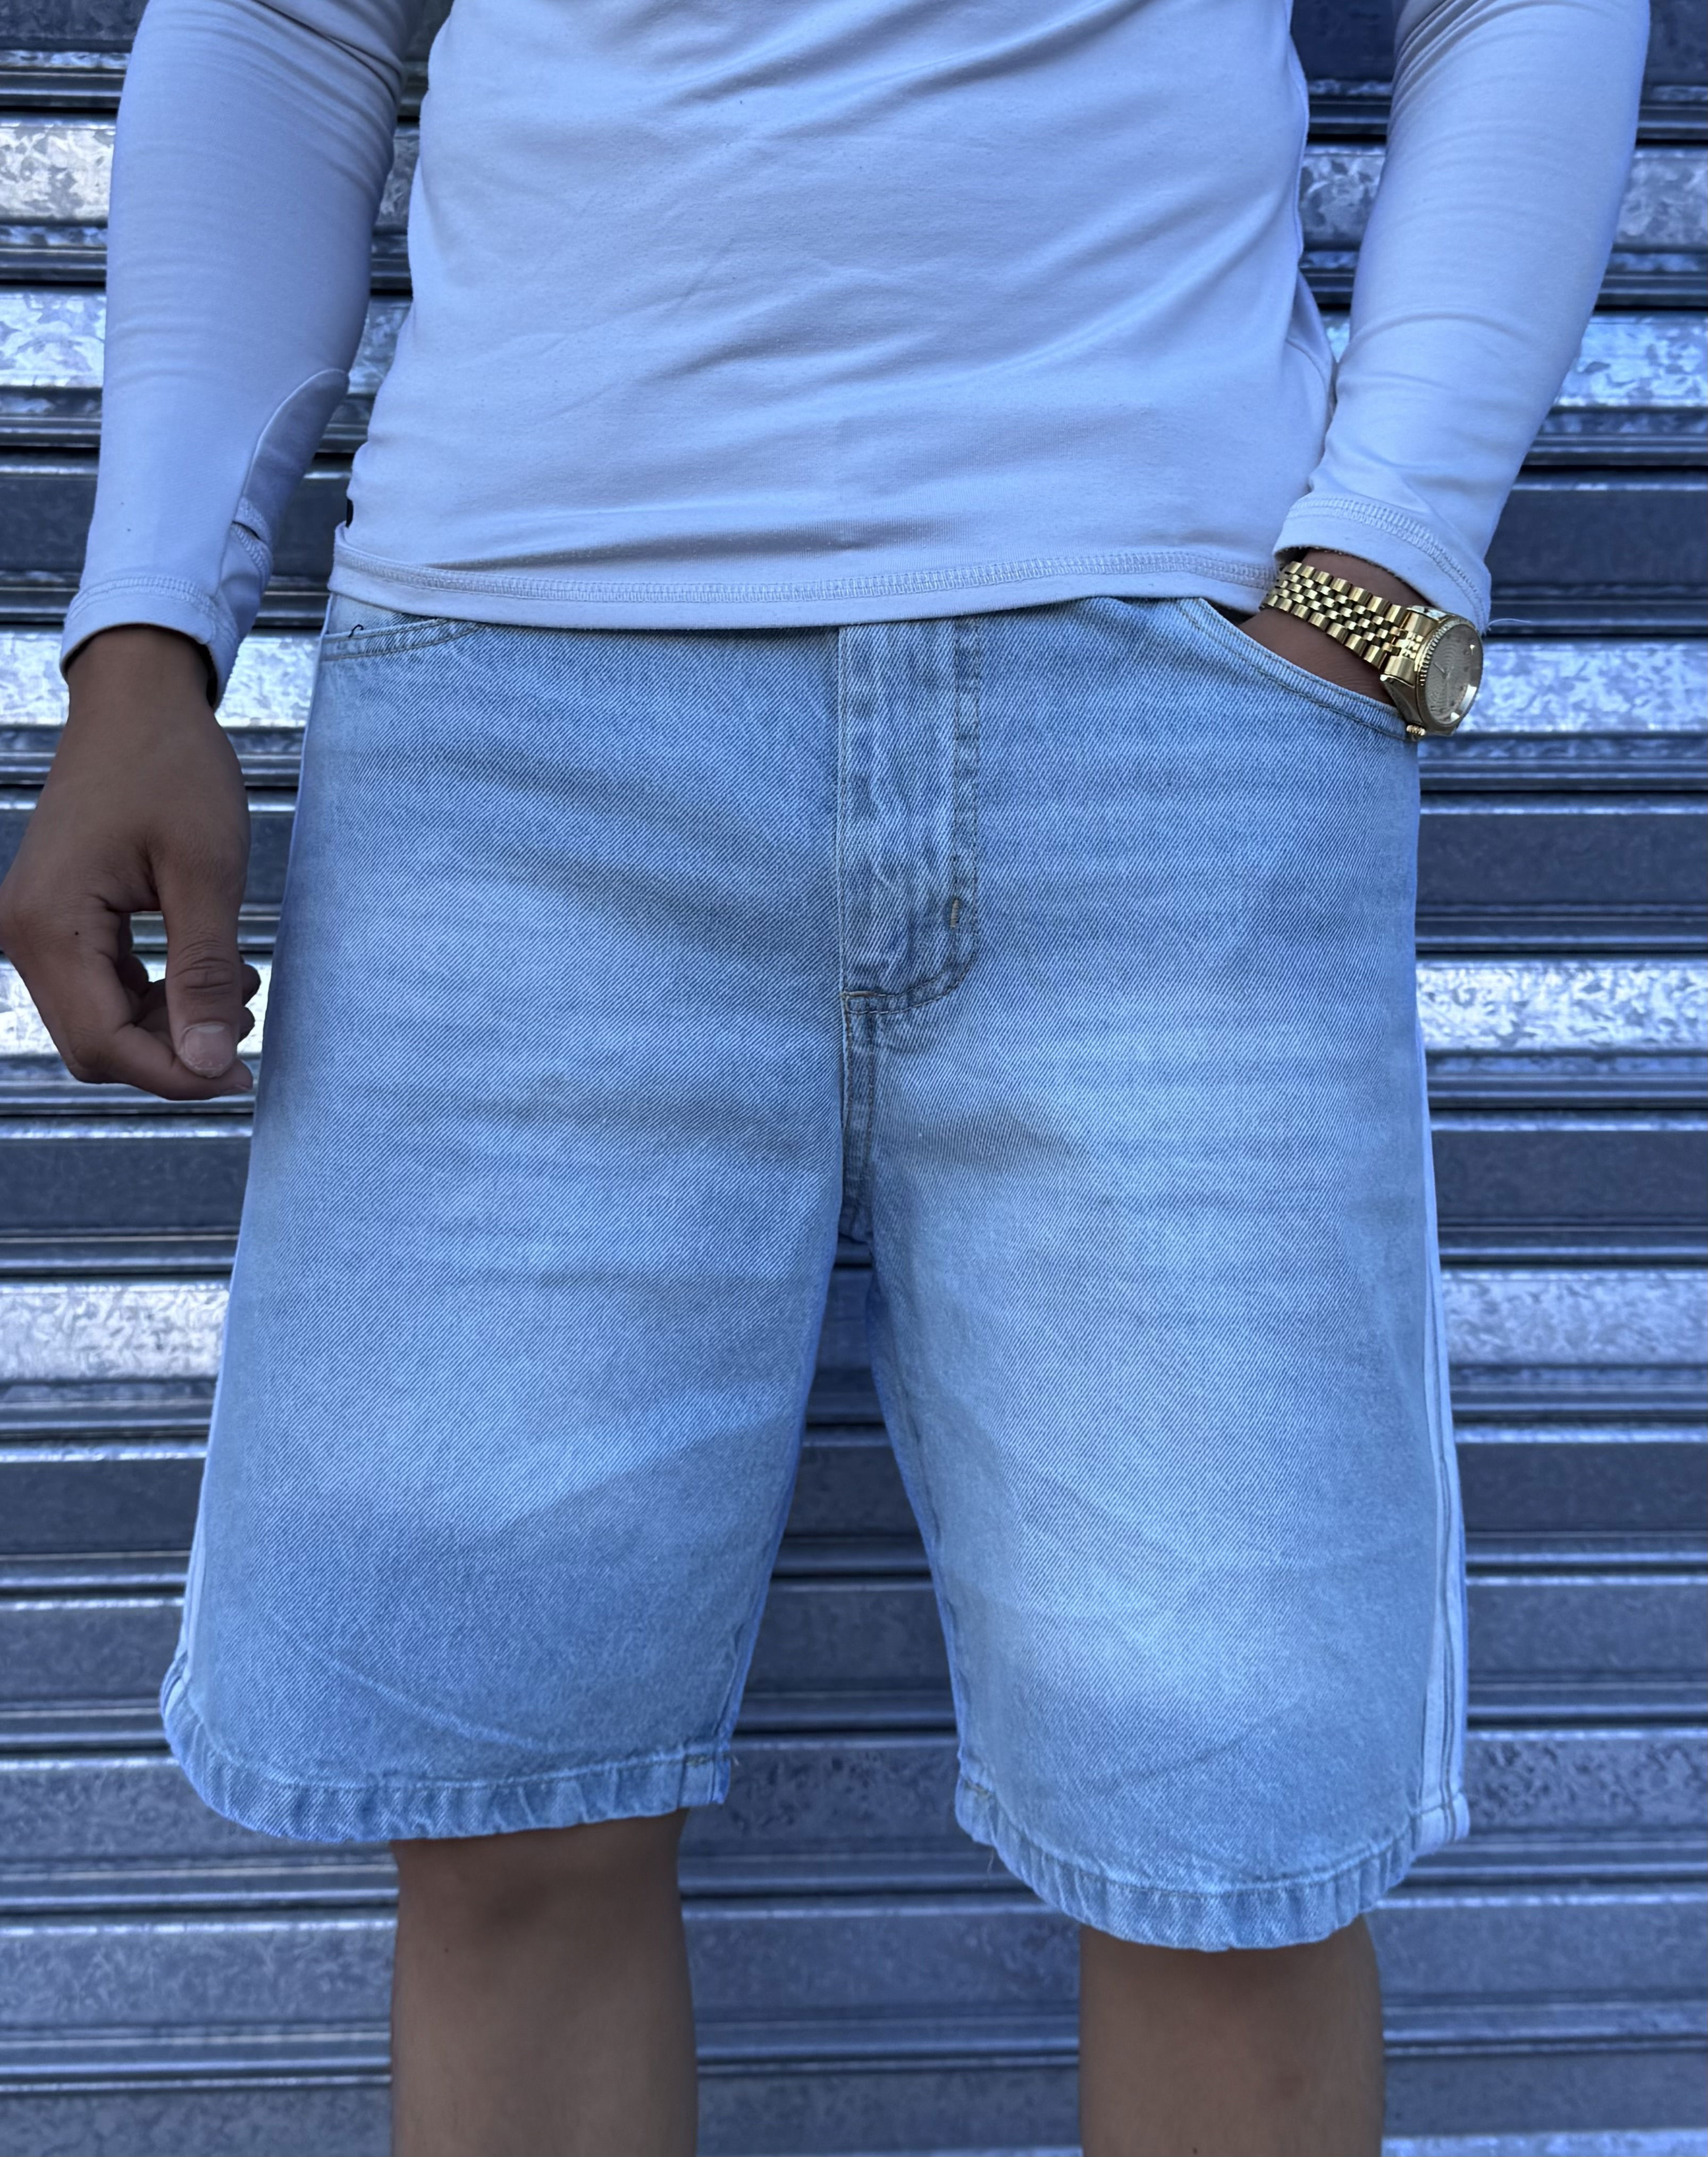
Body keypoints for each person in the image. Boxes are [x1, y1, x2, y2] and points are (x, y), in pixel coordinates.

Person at [0, 0, 1644, 2147]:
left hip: (1167, 729)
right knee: (507, 1810)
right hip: (516, 735)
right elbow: (283, 26)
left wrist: (1386, 572)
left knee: (1234, 1846)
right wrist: (146, 639)